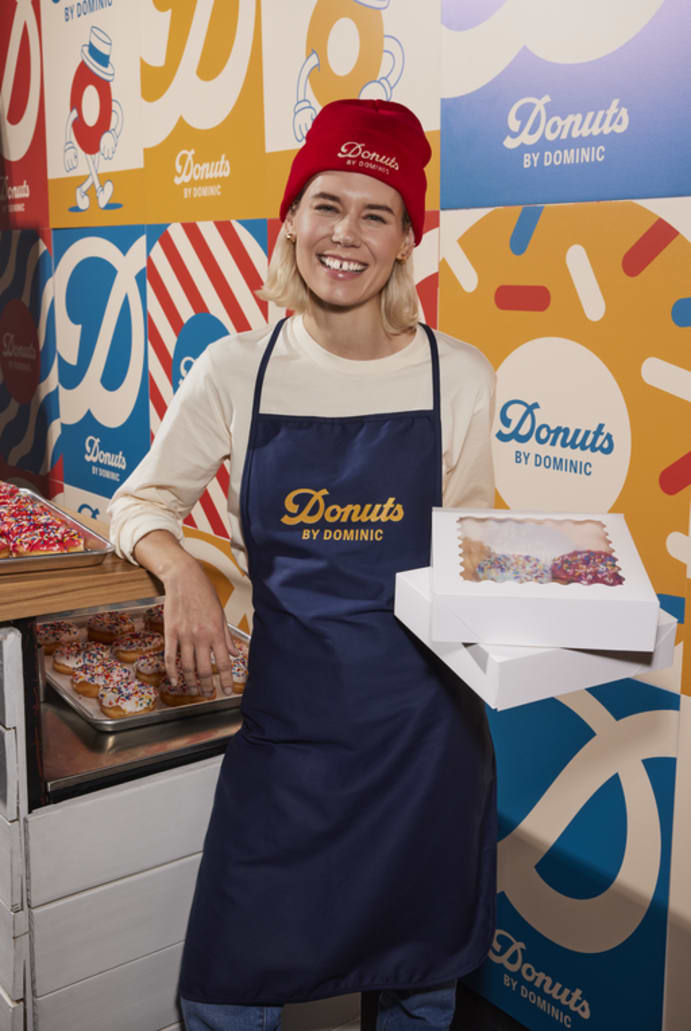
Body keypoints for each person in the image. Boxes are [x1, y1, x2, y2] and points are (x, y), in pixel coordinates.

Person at [109, 98, 497, 1031]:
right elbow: (138, 502)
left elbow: (476, 551)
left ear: (407, 240)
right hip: (291, 737)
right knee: (223, 990)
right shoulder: (236, 369)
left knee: (418, 987)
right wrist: (183, 573)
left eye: (377, 213)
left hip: (425, 742)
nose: (346, 234)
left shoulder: (462, 374)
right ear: (291, 220)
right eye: (326, 203)